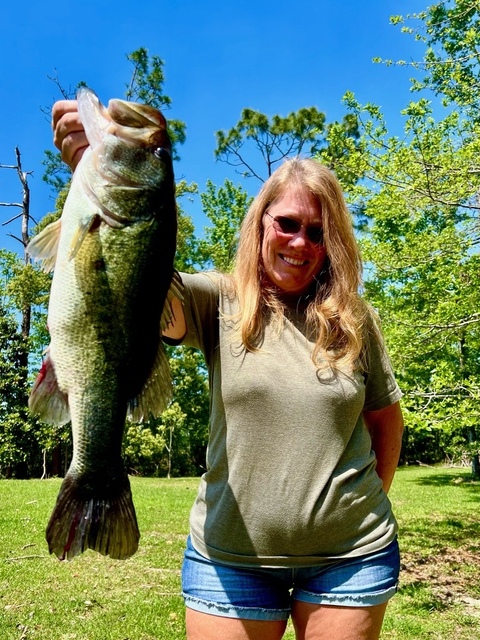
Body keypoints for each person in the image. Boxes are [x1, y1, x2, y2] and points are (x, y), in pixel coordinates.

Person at [52, 100, 404, 640]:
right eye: (287, 223)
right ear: (261, 224)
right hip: (229, 561)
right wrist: (91, 170)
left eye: (316, 231)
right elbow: (138, 296)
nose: (300, 242)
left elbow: (385, 419)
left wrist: (364, 502)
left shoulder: (354, 318)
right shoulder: (215, 300)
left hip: (352, 558)